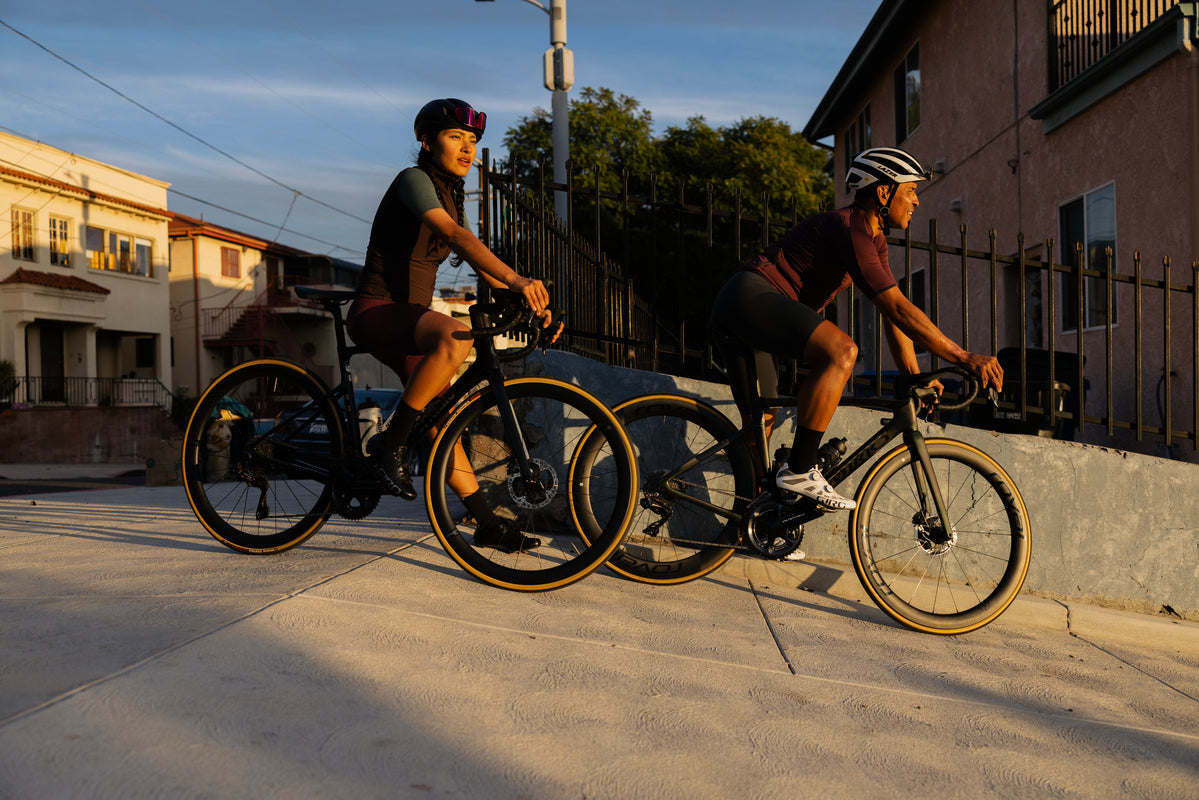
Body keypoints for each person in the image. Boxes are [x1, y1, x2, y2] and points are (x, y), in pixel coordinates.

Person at [710, 146, 1004, 513]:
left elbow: (890, 313)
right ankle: (800, 470)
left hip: (749, 318)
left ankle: (752, 524)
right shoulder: (848, 226)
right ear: (884, 192)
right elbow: (898, 306)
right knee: (842, 351)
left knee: (760, 430)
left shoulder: (873, 241)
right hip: (747, 299)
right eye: (910, 191)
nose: (916, 202)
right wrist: (965, 358)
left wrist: (915, 379)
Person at [346, 98, 554, 553]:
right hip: (376, 312)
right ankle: (391, 445)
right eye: (455, 136)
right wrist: (520, 279)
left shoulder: (449, 195)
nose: (467, 148)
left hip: (409, 324)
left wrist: (527, 299)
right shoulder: (414, 181)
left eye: (473, 140)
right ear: (426, 140)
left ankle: (486, 523)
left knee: (443, 423)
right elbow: (460, 238)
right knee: (453, 336)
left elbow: (483, 270)